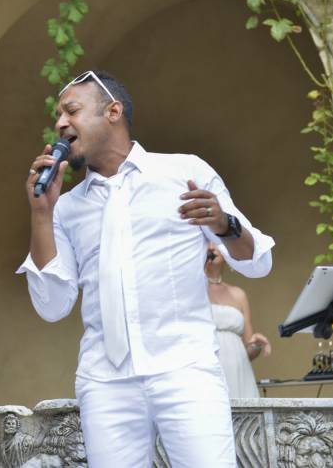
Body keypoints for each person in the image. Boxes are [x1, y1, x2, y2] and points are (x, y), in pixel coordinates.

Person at [17, 70, 275, 467]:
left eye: (71, 111)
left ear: (113, 112)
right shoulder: (66, 208)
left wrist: (225, 224)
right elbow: (52, 306)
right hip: (105, 381)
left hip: (185, 369)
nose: (60, 123)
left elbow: (259, 262)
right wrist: (41, 213)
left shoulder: (183, 172)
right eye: (58, 116)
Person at [206, 243, 271, 398]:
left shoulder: (238, 295)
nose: (211, 246)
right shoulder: (192, 292)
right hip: (208, 368)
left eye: (215, 242)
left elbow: (248, 350)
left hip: (239, 371)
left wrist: (256, 345)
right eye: (206, 243)